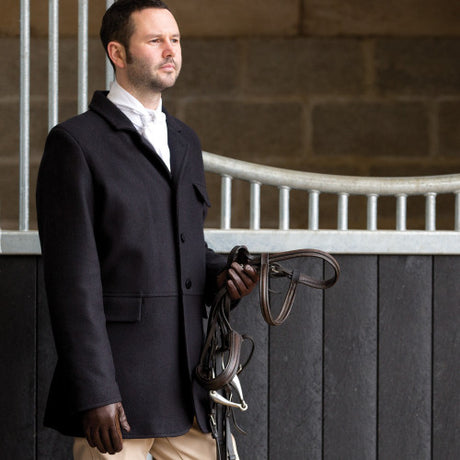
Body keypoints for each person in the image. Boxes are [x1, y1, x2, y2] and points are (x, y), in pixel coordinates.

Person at [36, 1, 258, 458]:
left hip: (188, 392)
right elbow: (72, 283)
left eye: (175, 39)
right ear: (117, 53)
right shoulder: (75, 143)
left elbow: (182, 246)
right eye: (155, 40)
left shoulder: (185, 140)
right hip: (117, 400)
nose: (170, 50)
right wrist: (95, 390)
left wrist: (221, 274)